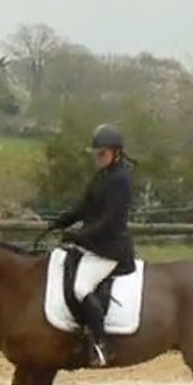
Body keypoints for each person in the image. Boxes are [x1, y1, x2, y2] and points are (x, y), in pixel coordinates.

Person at [49, 123, 136, 367]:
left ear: (116, 153)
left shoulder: (121, 180)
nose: (98, 158)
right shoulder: (102, 176)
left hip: (110, 249)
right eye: (97, 154)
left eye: (103, 153)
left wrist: (79, 236)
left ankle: (102, 344)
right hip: (94, 245)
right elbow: (83, 207)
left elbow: (110, 221)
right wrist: (59, 222)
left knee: (80, 287)